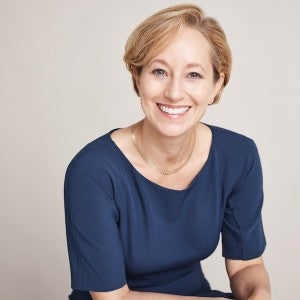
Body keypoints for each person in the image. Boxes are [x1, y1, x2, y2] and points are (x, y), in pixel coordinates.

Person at [64, 4, 271, 300]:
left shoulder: (239, 156)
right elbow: (113, 298)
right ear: (137, 77)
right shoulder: (93, 171)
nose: (174, 92)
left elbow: (246, 265)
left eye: (194, 75)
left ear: (217, 84)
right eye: (159, 71)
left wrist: (259, 295)